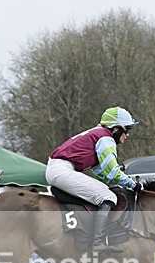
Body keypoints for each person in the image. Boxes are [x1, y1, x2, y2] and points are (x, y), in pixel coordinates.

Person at [46, 106, 142, 253]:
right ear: (116, 129)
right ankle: (98, 243)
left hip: (59, 169)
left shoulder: (98, 135)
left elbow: (101, 172)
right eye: (126, 130)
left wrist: (113, 182)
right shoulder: (106, 138)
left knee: (105, 191)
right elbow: (112, 171)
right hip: (62, 170)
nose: (127, 135)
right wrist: (132, 184)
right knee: (108, 197)